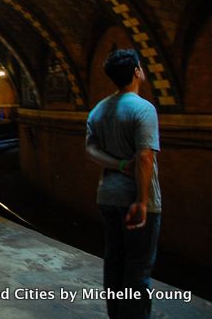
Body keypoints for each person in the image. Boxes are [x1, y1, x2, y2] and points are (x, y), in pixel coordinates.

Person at [85, 49, 161, 319]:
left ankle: (116, 314)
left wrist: (117, 165)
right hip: (137, 200)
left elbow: (90, 150)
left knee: (114, 261)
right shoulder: (143, 109)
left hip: (107, 196)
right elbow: (144, 158)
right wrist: (142, 201)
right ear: (137, 72)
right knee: (138, 268)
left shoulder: (98, 110)